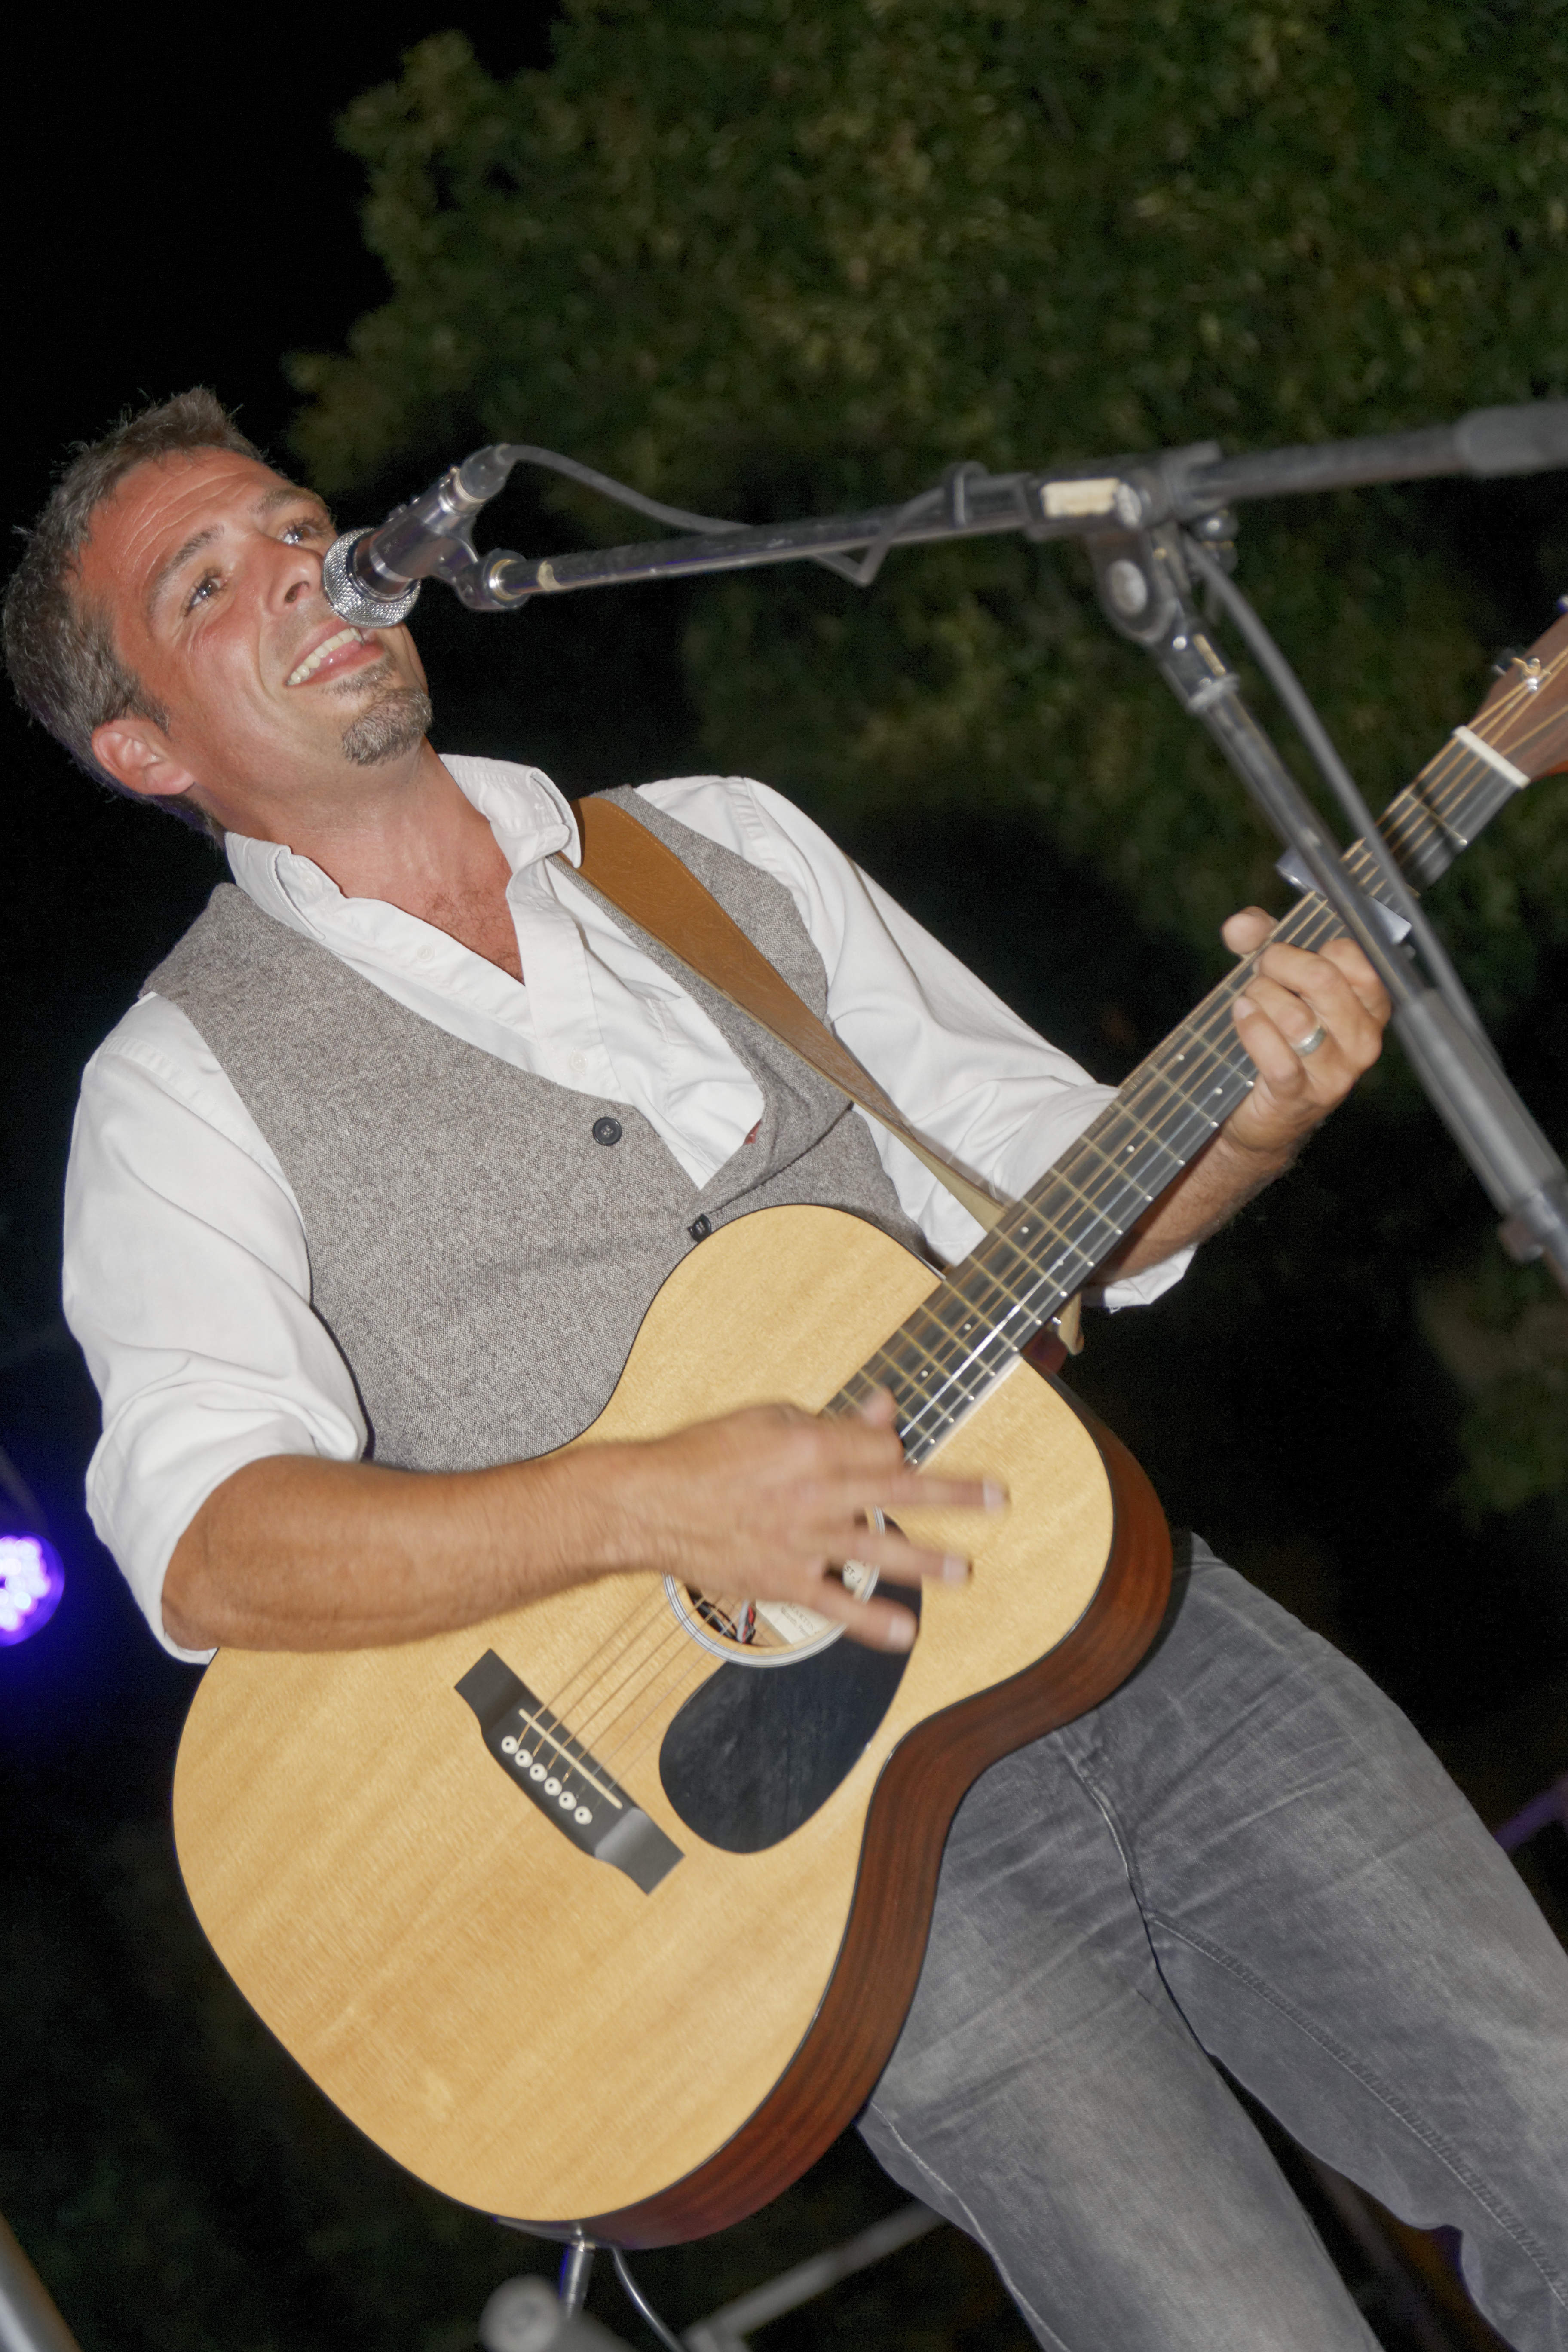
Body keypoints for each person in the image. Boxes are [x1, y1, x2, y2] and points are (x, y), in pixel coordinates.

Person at [5, 390, 1565, 2350]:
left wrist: (1254, 1125)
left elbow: (1064, 1193)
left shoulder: (715, 847)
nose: (310, 572)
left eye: (302, 525)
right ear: (144, 747)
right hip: (819, 1878)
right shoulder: (178, 1084)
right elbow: (210, 1548)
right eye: (209, 585)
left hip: (1142, 1645)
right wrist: (643, 1505)